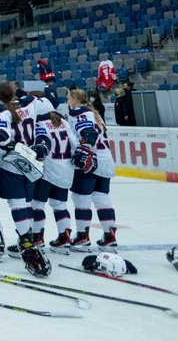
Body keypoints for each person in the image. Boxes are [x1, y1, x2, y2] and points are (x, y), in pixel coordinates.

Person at [0, 80, 56, 259]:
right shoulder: (30, 103)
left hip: (10, 162)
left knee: (17, 203)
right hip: (30, 160)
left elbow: (2, 139)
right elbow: (50, 104)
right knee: (26, 202)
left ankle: (26, 242)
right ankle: (28, 239)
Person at [66, 87, 118, 251]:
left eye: (69, 97)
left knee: (81, 198)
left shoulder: (78, 113)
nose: (67, 100)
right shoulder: (94, 114)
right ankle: (109, 236)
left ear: (75, 99)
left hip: (89, 160)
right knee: (102, 198)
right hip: (105, 160)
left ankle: (82, 236)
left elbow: (89, 134)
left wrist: (84, 148)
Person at [31, 103, 76, 253]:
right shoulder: (62, 121)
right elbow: (75, 143)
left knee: (37, 205)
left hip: (47, 170)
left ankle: (37, 239)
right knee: (60, 205)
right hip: (66, 169)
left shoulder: (39, 123)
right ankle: (64, 238)